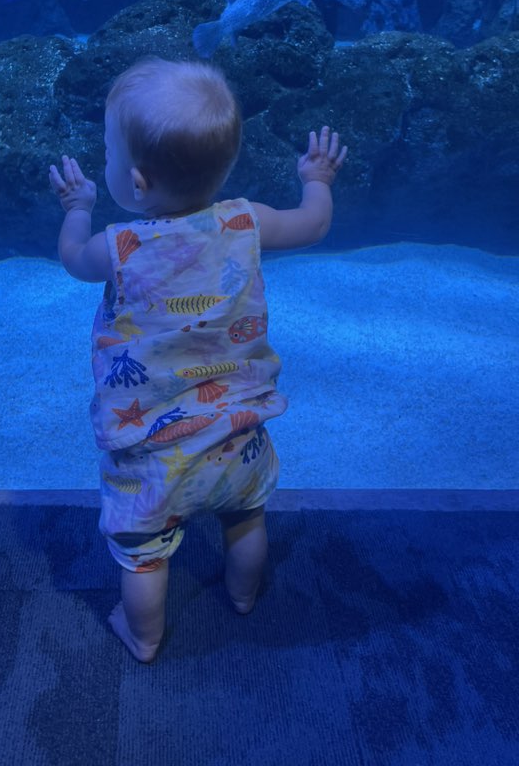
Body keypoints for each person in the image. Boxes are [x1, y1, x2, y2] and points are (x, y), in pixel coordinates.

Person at [49, 57, 347, 663]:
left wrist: (76, 207)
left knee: (144, 551)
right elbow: (314, 224)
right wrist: (316, 177)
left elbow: (73, 258)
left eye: (107, 154)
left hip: (152, 453)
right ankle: (242, 596)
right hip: (240, 433)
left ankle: (145, 635)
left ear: (136, 181)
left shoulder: (119, 248)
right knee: (245, 519)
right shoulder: (247, 221)